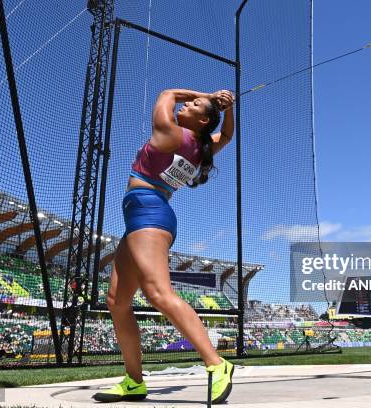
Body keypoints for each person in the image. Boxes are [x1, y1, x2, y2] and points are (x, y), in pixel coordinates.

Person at [92, 89, 234, 404]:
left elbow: (167, 93)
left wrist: (208, 95)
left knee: (158, 294)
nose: (187, 103)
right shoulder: (201, 146)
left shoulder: (171, 133)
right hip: (143, 217)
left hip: (149, 213)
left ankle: (216, 363)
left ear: (203, 119)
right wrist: (229, 108)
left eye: (195, 105)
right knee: (117, 301)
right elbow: (226, 134)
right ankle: (133, 382)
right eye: (191, 100)